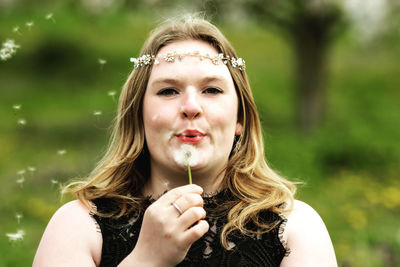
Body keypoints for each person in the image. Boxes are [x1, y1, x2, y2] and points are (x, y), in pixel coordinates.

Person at [33, 15, 337, 267]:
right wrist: (145, 260)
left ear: (240, 119)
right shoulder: (78, 226)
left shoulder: (294, 229)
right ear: (138, 115)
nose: (191, 106)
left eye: (212, 90)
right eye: (168, 91)